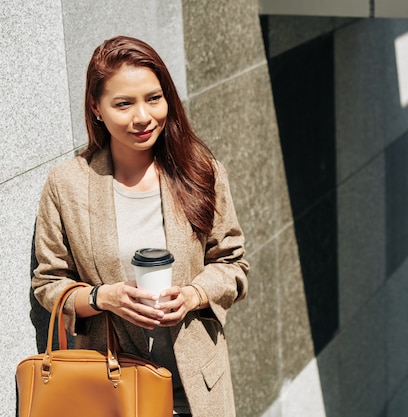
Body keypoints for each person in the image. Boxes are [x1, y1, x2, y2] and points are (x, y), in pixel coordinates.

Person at [32, 35, 249, 417]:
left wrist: (195, 295)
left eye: (153, 98)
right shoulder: (66, 184)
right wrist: (103, 298)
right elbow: (49, 285)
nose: (143, 117)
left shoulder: (200, 171)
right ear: (96, 108)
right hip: (112, 389)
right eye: (123, 104)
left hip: (197, 388)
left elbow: (233, 265)